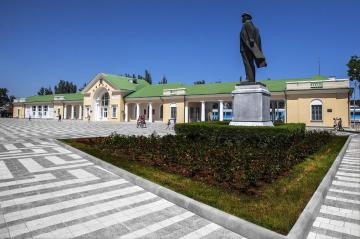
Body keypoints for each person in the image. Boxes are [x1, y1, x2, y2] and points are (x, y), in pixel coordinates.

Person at [240, 13, 267, 82]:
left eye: (243, 17)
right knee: (250, 63)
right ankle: (251, 79)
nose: (242, 19)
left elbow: (250, 32)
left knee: (248, 63)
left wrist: (251, 40)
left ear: (246, 17)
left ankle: (249, 78)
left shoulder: (247, 24)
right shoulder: (250, 24)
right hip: (249, 47)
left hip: (246, 47)